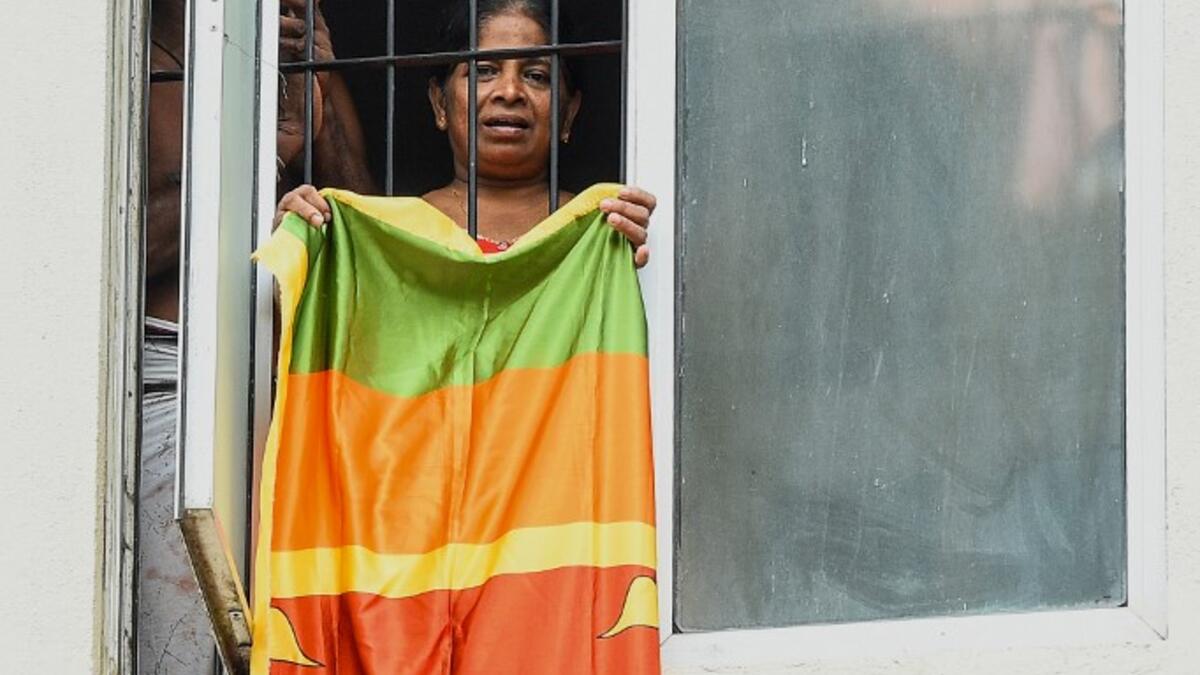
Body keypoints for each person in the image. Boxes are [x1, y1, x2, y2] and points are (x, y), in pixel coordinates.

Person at [140, 1, 368, 671]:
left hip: (299, 381)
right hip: (175, 376)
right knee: (185, 633)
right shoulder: (138, 65)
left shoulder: (294, 55)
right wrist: (259, 156)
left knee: (295, 628)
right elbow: (123, 242)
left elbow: (364, 210)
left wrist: (319, 74)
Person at [275, 0, 657, 262]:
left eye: (536, 75)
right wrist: (297, 252)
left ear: (569, 114)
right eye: (484, 71)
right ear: (440, 103)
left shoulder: (604, 229)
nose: (510, 91)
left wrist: (636, 257)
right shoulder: (397, 231)